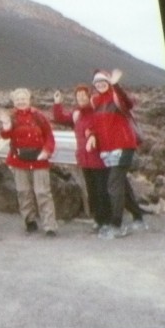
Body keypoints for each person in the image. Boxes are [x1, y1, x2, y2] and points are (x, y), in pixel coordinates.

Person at [87, 69, 145, 239]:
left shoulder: (115, 97)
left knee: (113, 184)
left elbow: (128, 103)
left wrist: (115, 85)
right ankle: (138, 217)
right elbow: (94, 124)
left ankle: (116, 224)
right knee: (121, 185)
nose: (100, 85)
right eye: (97, 83)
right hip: (107, 149)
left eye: (103, 82)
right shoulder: (96, 102)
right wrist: (91, 135)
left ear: (108, 82)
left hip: (123, 146)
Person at [0, 88, 58, 237]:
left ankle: (49, 226)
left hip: (39, 160)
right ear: (14, 102)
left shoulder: (39, 116)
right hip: (19, 161)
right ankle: (29, 221)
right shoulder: (11, 117)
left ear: (29, 99)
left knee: (43, 192)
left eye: (23, 98)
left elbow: (49, 135)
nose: (21, 101)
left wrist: (47, 151)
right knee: (23, 192)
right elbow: (5, 136)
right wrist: (6, 124)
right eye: (18, 99)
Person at [53, 85, 111, 236]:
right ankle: (98, 221)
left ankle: (107, 221)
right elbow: (60, 119)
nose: (81, 98)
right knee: (92, 191)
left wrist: (93, 135)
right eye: (78, 96)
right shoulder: (77, 114)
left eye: (84, 95)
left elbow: (102, 129)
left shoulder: (96, 112)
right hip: (85, 160)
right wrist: (57, 103)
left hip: (98, 159)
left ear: (89, 96)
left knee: (102, 191)